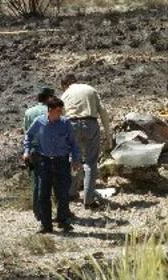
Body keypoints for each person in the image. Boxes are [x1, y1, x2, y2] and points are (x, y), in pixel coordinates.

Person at [24, 96, 81, 233]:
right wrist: (26, 151)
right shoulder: (39, 122)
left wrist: (75, 159)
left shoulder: (65, 123)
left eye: (61, 110)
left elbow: (73, 143)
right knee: (43, 194)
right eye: (58, 110)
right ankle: (46, 225)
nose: (60, 113)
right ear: (50, 110)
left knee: (62, 193)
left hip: (62, 162)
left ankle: (63, 221)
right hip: (44, 162)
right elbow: (28, 135)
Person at [60, 73, 113, 209]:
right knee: (90, 162)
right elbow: (103, 112)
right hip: (90, 124)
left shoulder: (65, 94)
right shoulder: (90, 89)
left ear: (66, 85)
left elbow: (60, 115)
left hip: (71, 125)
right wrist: (108, 135)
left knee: (73, 159)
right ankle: (88, 201)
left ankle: (71, 193)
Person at [23, 86, 55, 221]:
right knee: (53, 182)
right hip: (50, 150)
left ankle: (38, 212)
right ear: (49, 98)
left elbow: (26, 132)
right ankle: (54, 213)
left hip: (34, 150)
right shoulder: (52, 111)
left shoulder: (29, 112)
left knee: (36, 182)